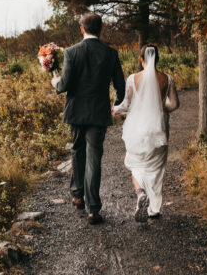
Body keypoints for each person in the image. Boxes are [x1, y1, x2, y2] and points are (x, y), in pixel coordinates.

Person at [52, 12, 126, 224]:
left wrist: (55, 83)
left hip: (76, 111)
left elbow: (64, 86)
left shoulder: (71, 52)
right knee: (94, 157)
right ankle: (93, 209)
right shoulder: (110, 54)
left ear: (82, 29)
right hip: (99, 111)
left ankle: (77, 195)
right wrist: (117, 104)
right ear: (100, 29)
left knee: (77, 150)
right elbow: (120, 85)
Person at [112, 44, 180, 222]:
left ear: (141, 59)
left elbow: (126, 105)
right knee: (156, 168)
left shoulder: (133, 78)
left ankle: (140, 193)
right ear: (157, 59)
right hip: (158, 128)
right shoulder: (167, 78)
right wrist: (159, 107)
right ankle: (154, 209)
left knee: (136, 164)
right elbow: (174, 105)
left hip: (137, 129)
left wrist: (115, 108)